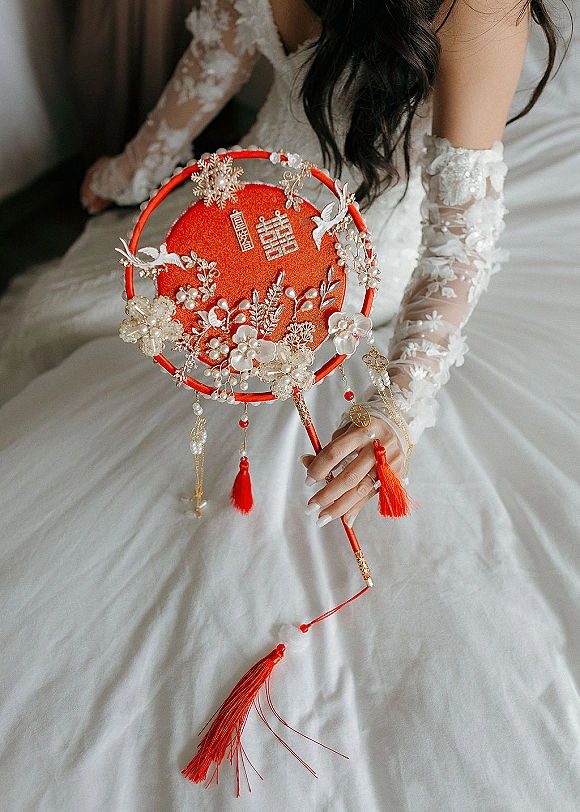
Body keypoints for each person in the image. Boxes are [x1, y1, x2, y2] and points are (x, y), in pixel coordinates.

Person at [1, 2, 578, 811]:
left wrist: (395, 405)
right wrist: (140, 165)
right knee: (66, 321)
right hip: (237, 238)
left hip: (367, 284)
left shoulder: (474, 6)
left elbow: (462, 235)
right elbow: (216, 60)